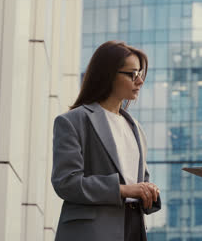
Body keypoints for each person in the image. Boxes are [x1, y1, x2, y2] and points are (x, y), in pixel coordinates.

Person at [51, 41, 161, 241]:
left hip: (133, 229)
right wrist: (122, 189)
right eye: (133, 74)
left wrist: (148, 191)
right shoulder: (73, 121)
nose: (140, 81)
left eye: (141, 74)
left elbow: (139, 182)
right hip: (90, 232)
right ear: (109, 74)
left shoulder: (136, 128)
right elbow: (66, 182)